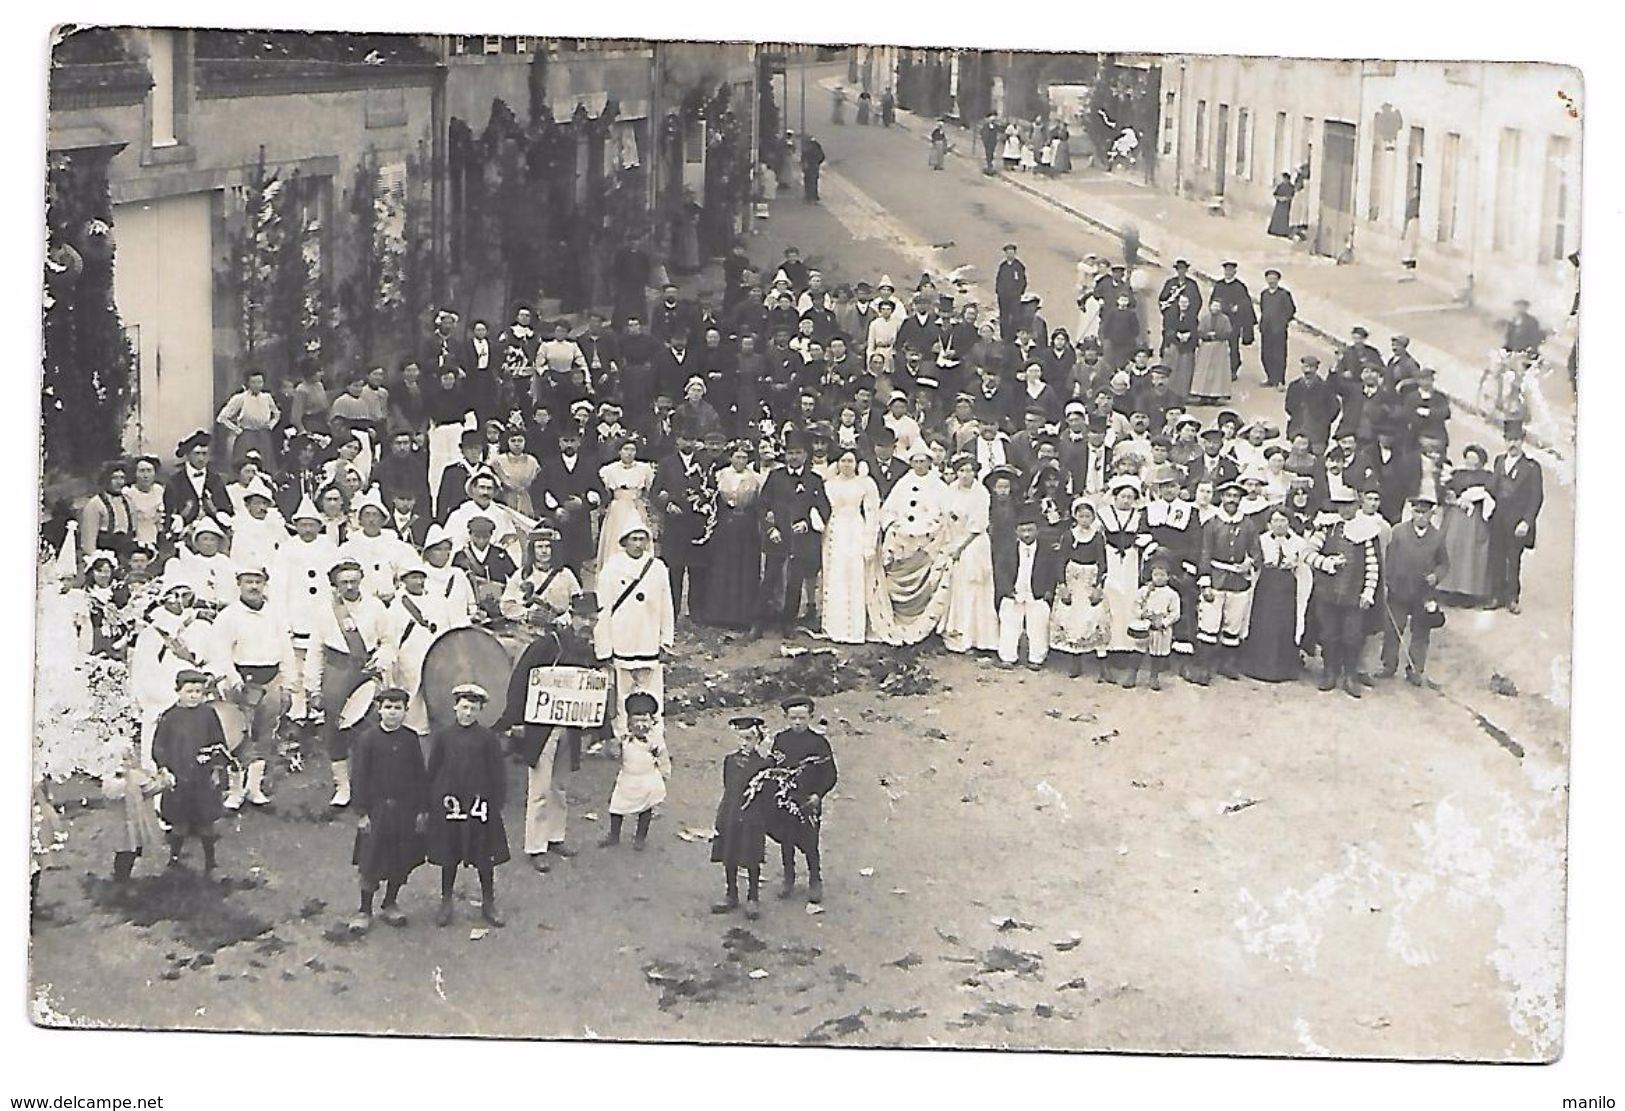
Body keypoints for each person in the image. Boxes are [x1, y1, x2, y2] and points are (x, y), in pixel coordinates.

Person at [497, 593, 598, 873]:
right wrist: (516, 720)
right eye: (585, 618)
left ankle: (556, 837)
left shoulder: (586, 649)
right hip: (542, 727)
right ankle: (535, 846)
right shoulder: (548, 644)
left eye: (594, 618)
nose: (589, 623)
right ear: (572, 617)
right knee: (540, 787)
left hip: (570, 726)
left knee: (560, 786)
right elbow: (520, 681)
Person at [309, 559, 396, 808]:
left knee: (369, 732)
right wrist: (313, 688)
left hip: (366, 673)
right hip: (336, 673)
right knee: (335, 732)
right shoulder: (326, 610)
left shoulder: (375, 607)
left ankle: (367, 785)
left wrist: (380, 659)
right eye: (344, 582)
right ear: (336, 584)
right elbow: (316, 649)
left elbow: (389, 641)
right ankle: (343, 787)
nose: (349, 586)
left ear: (361, 580)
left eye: (353, 581)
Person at [211, 565, 299, 811]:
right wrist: (233, 679)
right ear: (239, 583)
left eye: (258, 581)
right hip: (242, 680)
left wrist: (289, 684)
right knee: (240, 737)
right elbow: (221, 652)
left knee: (265, 734)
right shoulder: (228, 616)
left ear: (264, 584)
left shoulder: (275, 614)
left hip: (270, 679)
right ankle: (235, 791)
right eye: (248, 581)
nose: (253, 586)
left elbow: (286, 650)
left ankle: (255, 787)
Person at [425, 683, 511, 928]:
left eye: (473, 709)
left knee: (484, 855)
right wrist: (432, 801)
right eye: (464, 707)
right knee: (449, 854)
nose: (468, 713)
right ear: (455, 708)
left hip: (478, 804)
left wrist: (494, 804)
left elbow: (498, 774)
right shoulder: (443, 736)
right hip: (450, 802)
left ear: (480, 710)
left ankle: (488, 902)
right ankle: (446, 901)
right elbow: (434, 769)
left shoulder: (488, 738)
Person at [346, 687, 428, 934]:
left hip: (404, 809)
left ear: (405, 711)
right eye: (388, 707)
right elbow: (358, 776)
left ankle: (390, 902)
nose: (392, 713)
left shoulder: (410, 738)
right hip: (377, 810)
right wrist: (362, 812)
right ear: (379, 710)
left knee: (400, 860)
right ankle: (364, 909)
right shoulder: (368, 739)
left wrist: (422, 809)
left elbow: (419, 775)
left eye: (398, 708)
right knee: (371, 860)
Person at [595, 519, 675, 750]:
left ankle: (654, 734)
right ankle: (624, 735)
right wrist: (604, 646)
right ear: (624, 542)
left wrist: (666, 639)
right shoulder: (612, 568)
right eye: (634, 539)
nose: (638, 544)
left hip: (648, 638)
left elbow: (666, 606)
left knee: (652, 690)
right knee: (623, 694)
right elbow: (604, 609)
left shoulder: (658, 567)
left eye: (642, 539)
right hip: (622, 639)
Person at [751, 695, 837, 905]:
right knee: (786, 839)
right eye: (793, 718)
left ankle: (815, 879)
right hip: (784, 798)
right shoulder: (782, 739)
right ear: (786, 718)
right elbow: (775, 764)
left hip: (808, 800)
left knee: (810, 841)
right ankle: (788, 878)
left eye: (802, 718)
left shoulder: (819, 743)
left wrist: (818, 795)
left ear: (810, 718)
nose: (797, 722)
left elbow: (830, 774)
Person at [152, 670, 231, 876]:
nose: (194, 695)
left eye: (199, 691)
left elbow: (218, 744)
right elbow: (159, 747)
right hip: (179, 778)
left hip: (203, 778)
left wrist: (216, 770)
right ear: (178, 691)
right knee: (179, 822)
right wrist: (164, 769)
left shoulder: (208, 715)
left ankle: (210, 859)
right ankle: (175, 856)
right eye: (189, 691)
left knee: (206, 822)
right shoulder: (170, 717)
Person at [1306, 488, 1382, 697]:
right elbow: (1307, 552)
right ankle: (1330, 672)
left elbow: (1373, 566)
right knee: (1329, 634)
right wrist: (1326, 562)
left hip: (1353, 595)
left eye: (1349, 505)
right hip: (1327, 593)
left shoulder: (1366, 531)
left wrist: (1368, 593)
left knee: (1352, 637)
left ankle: (1350, 676)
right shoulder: (1327, 528)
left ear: (1357, 506)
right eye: (1341, 505)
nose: (1345, 509)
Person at [760, 434, 831, 634]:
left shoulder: (814, 479)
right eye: (790, 453)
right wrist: (770, 528)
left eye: (797, 453)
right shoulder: (776, 476)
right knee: (770, 579)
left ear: (806, 455)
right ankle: (759, 622)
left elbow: (824, 508)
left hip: (801, 539)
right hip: (777, 536)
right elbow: (763, 504)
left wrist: (807, 524)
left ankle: (788, 623)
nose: (793, 457)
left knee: (795, 581)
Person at [1196, 480, 1262, 681]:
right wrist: (1205, 582)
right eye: (1229, 496)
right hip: (1216, 577)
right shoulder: (1212, 523)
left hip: (1238, 580)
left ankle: (1227, 664)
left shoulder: (1248, 524)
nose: (1232, 500)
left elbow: (1257, 550)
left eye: (1236, 497)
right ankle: (1204, 667)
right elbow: (1205, 553)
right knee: (1209, 622)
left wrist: (1249, 562)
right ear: (1222, 498)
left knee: (1233, 623)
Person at [1381, 496, 1449, 686]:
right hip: (1399, 590)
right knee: (1393, 628)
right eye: (1417, 512)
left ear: (1431, 514)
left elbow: (1444, 563)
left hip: (1423, 593)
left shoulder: (1437, 537)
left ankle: (1415, 669)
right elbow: (1388, 560)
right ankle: (1388, 665)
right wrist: (1387, 583)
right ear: (1411, 512)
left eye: (1424, 513)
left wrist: (1436, 576)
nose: (1420, 516)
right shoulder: (1399, 532)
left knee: (1421, 632)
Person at [820, 446, 882, 645]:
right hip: (834, 530)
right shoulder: (829, 484)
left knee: (855, 575)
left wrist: (869, 542)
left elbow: (872, 512)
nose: (846, 465)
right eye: (843, 461)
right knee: (835, 574)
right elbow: (819, 506)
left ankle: (854, 629)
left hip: (855, 528)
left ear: (857, 464)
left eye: (850, 461)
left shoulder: (864, 483)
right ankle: (833, 626)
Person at [938, 453, 999, 653]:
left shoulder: (981, 493)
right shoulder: (950, 491)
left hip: (973, 543)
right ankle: (958, 632)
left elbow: (977, 525)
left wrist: (960, 547)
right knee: (958, 587)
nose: (966, 474)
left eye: (970, 470)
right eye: (962, 470)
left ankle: (978, 637)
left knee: (974, 588)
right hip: (955, 540)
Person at [711, 716, 770, 918]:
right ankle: (731, 893)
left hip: (752, 816)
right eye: (742, 738)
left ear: (758, 741)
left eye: (750, 739)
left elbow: (764, 795)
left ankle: (753, 897)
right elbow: (728, 786)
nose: (745, 743)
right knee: (729, 854)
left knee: (751, 856)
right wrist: (725, 812)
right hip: (731, 812)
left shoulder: (763, 765)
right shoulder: (730, 761)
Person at [1241, 508, 1306, 682]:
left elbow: (1305, 566)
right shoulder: (1261, 540)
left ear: (1289, 523)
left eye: (1283, 520)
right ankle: (1259, 667)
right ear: (1269, 523)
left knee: (1285, 625)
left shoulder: (1299, 542)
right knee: (1264, 624)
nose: (1279, 524)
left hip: (1287, 587)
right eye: (1275, 520)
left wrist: (1294, 563)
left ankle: (1284, 669)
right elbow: (1252, 560)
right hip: (1266, 586)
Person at [1049, 498, 1111, 679]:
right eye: (1081, 516)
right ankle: (1075, 662)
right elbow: (1060, 560)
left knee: (1096, 618)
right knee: (1073, 619)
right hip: (1073, 578)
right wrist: (1062, 585)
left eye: (1088, 516)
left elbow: (1102, 562)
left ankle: (1102, 664)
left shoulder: (1098, 536)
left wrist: (1099, 586)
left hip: (1090, 579)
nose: (1085, 520)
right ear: (1075, 516)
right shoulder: (1069, 535)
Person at [994, 505, 1061, 669]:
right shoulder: (1008, 549)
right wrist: (1007, 590)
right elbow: (1000, 570)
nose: (1026, 534)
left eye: (1030, 530)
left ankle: (1037, 658)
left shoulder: (1046, 550)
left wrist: (1048, 591)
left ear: (1037, 531)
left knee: (1038, 624)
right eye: (1023, 531)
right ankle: (1008, 656)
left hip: (1037, 593)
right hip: (1014, 592)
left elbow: (1053, 571)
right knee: (1009, 623)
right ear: (1016, 532)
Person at [1487, 426, 1543, 614]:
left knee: (1513, 559)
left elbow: (1536, 497)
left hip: (1516, 521)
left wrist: (1526, 521)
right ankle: (1496, 596)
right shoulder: (1499, 461)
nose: (1512, 444)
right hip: (1498, 518)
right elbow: (1491, 489)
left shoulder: (1531, 467)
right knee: (1496, 557)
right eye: (1509, 439)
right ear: (1504, 440)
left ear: (1522, 441)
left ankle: (1512, 598)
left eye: (1516, 440)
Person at [1437, 445, 1496, 604]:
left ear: (1481, 461)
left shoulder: (1487, 476)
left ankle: (1470, 592)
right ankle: (1448, 588)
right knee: (1451, 548)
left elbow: (1490, 493)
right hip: (1455, 517)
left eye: (1474, 458)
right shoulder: (1457, 474)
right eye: (1468, 458)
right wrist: (1449, 495)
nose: (1470, 461)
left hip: (1474, 520)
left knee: (1471, 553)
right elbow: (1445, 489)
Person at [597, 435, 657, 571]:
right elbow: (605, 492)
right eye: (625, 449)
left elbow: (649, 490)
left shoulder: (644, 469)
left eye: (632, 450)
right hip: (618, 508)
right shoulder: (609, 470)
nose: (629, 453)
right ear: (619, 451)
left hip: (636, 507)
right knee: (615, 541)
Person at [163, 430, 234, 544]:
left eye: (204, 454)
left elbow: (226, 508)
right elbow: (170, 512)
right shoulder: (176, 481)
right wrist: (184, 515)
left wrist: (215, 511)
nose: (201, 458)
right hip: (186, 531)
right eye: (197, 454)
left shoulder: (215, 480)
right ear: (188, 455)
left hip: (212, 529)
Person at [1132, 553, 1182, 690]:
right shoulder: (1144, 591)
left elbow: (1175, 613)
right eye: (1156, 575)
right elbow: (1136, 605)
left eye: (1162, 575)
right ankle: (1132, 674)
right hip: (1146, 626)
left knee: (1157, 654)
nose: (1159, 578)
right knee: (1138, 650)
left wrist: (1164, 622)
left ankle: (1154, 677)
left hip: (1161, 629)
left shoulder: (1172, 594)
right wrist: (1142, 614)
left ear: (1168, 576)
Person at [216, 370, 282, 468]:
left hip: (263, 435)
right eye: (253, 382)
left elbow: (276, 413)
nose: (257, 385)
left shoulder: (267, 397)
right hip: (246, 435)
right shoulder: (240, 398)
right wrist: (236, 429)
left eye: (260, 382)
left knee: (265, 465)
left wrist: (271, 425)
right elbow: (222, 417)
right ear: (248, 383)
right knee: (244, 464)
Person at [1210, 261, 1257, 382]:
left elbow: (1246, 303)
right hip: (1220, 319)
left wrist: (1238, 307)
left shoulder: (1239, 286)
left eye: (1230, 271)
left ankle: (1233, 369)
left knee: (1233, 346)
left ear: (1234, 272)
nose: (1228, 273)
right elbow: (1213, 299)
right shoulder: (1219, 285)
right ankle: (1219, 369)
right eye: (1226, 270)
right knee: (1218, 344)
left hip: (1233, 321)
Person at [1190, 296, 1235, 404]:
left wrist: (1217, 335)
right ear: (1210, 306)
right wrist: (1207, 335)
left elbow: (1228, 333)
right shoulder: (1205, 318)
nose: (1215, 308)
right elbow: (1199, 331)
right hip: (1206, 347)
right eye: (1214, 305)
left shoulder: (1225, 319)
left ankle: (1216, 396)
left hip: (1219, 348)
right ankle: (1202, 395)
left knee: (1218, 372)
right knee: (1203, 371)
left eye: (1218, 306)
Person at [1257, 269, 1297, 389]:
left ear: (1278, 280)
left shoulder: (1284, 294)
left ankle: (1280, 380)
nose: (1271, 281)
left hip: (1278, 330)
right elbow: (1263, 308)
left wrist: (1282, 322)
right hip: (1266, 329)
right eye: (1269, 278)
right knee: (1266, 354)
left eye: (1274, 278)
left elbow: (1291, 310)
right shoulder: (1264, 294)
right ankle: (1270, 378)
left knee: (1279, 355)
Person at [995, 244, 1028, 342]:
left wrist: (1019, 292)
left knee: (1015, 317)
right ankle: (1004, 336)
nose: (1010, 254)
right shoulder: (1003, 266)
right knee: (1004, 316)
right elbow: (999, 280)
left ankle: (1013, 336)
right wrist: (999, 292)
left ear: (1015, 253)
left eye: (1012, 252)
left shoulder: (1019, 266)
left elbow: (1023, 281)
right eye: (1008, 253)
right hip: (1003, 297)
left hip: (1014, 297)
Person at [1267, 172, 1296, 238]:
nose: (1284, 180)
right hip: (1279, 204)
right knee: (1277, 217)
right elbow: (1275, 194)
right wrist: (1278, 198)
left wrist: (1286, 198)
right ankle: (1274, 231)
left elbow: (1291, 195)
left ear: (1288, 179)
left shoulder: (1291, 187)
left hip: (1285, 205)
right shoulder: (1280, 186)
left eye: (1285, 178)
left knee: (1284, 218)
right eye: (1284, 178)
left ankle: (1283, 232)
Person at [801, 135, 826, 203]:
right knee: (813, 182)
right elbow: (822, 156)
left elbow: (803, 157)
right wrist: (818, 163)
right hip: (814, 166)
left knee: (808, 181)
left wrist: (804, 164)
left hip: (809, 166)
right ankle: (813, 196)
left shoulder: (807, 148)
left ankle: (809, 196)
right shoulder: (816, 147)